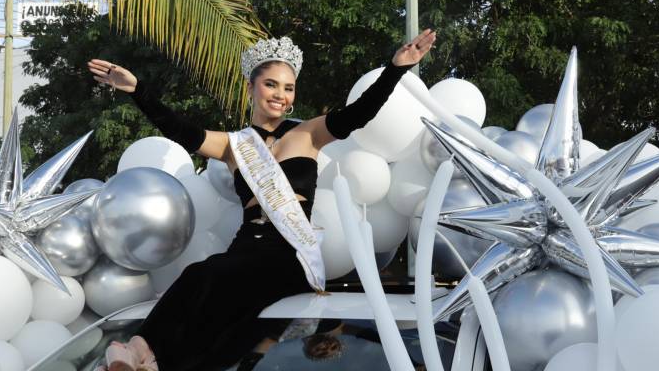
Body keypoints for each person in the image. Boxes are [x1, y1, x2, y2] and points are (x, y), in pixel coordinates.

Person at [87, 29, 436, 371]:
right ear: (251, 87)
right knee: (234, 333)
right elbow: (180, 129)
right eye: (271, 84)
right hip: (246, 247)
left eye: (288, 88)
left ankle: (139, 348)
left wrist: (397, 68)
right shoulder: (233, 145)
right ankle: (148, 359)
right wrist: (138, 90)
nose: (280, 95)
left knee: (203, 274)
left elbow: (361, 112)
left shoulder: (309, 133)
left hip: (288, 253)